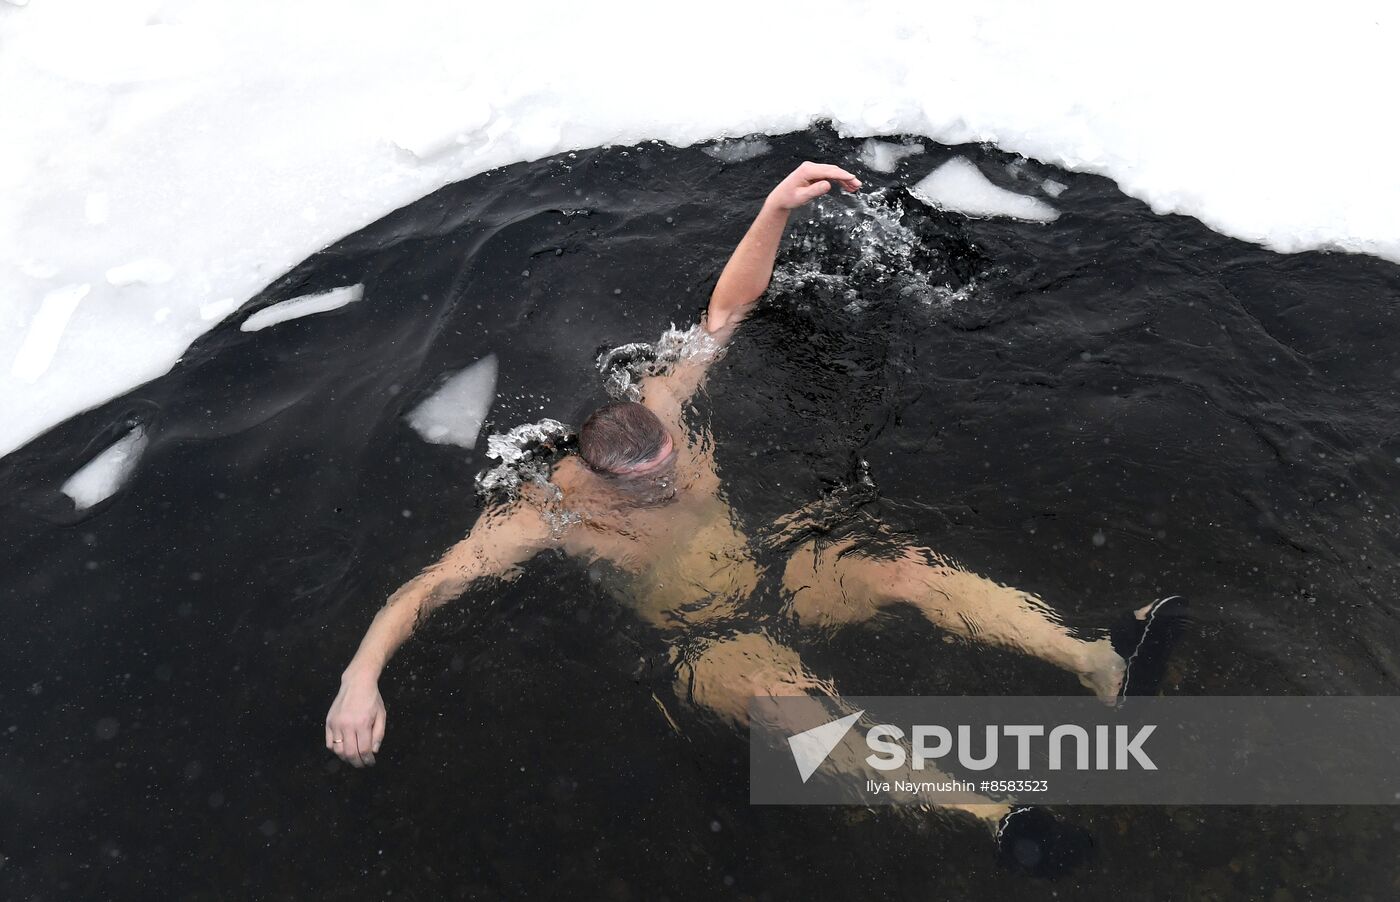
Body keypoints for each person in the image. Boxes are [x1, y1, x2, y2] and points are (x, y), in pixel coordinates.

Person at [325, 161, 1179, 874]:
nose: (672, 482)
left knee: (900, 567)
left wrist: (773, 207)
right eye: (650, 485)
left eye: (673, 464)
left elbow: (725, 313)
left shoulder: (662, 403)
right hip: (703, 640)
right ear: (600, 476)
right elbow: (426, 590)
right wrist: (360, 676)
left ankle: (1096, 659)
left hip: (775, 568)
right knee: (790, 704)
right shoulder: (546, 511)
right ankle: (995, 817)